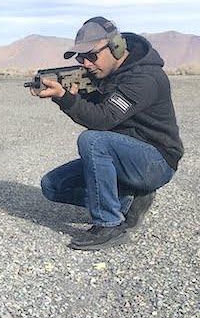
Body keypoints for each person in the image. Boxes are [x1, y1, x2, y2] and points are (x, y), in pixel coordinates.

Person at [34, 16, 184, 250]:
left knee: (93, 141)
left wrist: (65, 98)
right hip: (125, 155)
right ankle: (128, 200)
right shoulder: (104, 74)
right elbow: (94, 106)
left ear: (116, 47)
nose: (85, 63)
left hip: (157, 161)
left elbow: (102, 119)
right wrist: (66, 93)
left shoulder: (145, 78)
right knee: (52, 185)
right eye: (81, 57)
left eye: (91, 55)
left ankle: (109, 224)